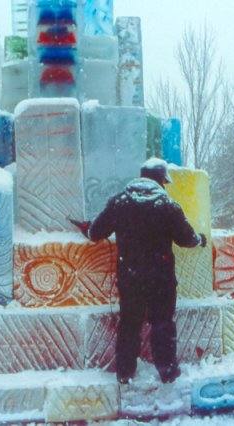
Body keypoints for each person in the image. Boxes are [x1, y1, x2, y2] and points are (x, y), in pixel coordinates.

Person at [71, 158, 207, 384]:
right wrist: (200, 239)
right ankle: (167, 372)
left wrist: (86, 227)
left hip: (131, 276)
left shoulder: (120, 202)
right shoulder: (167, 206)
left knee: (129, 323)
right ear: (161, 181)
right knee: (162, 323)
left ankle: (125, 372)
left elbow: (96, 233)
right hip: (161, 278)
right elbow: (186, 238)